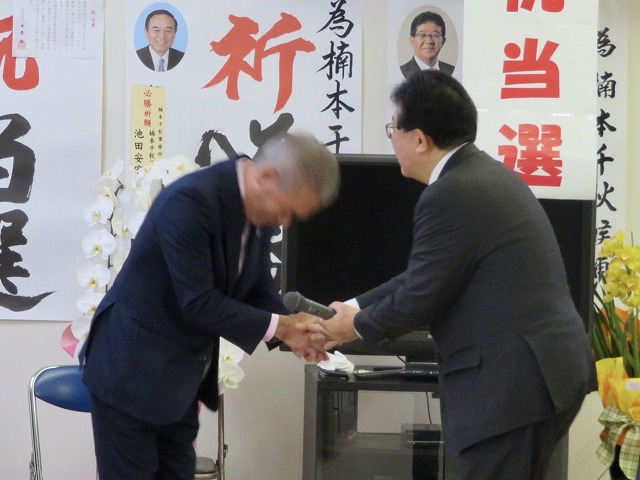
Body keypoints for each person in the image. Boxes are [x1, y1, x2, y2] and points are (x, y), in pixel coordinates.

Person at [304, 70, 597, 480]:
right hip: (538, 376)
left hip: (512, 386)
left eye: (393, 129)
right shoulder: (481, 175)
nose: (392, 139)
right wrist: (352, 307)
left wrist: (350, 327)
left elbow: (419, 297)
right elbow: (423, 276)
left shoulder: (450, 192)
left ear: (419, 139)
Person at [79, 133, 339, 479]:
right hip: (131, 372)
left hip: (179, 381)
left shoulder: (258, 208)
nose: (284, 221)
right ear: (266, 176)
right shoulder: (190, 201)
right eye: (287, 209)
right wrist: (283, 328)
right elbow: (198, 302)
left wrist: (295, 330)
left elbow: (256, 286)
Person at [400, 11, 455, 79]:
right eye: (422, 35)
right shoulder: (401, 71)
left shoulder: (451, 70)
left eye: (435, 35)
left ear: (443, 41)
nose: (429, 41)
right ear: (412, 41)